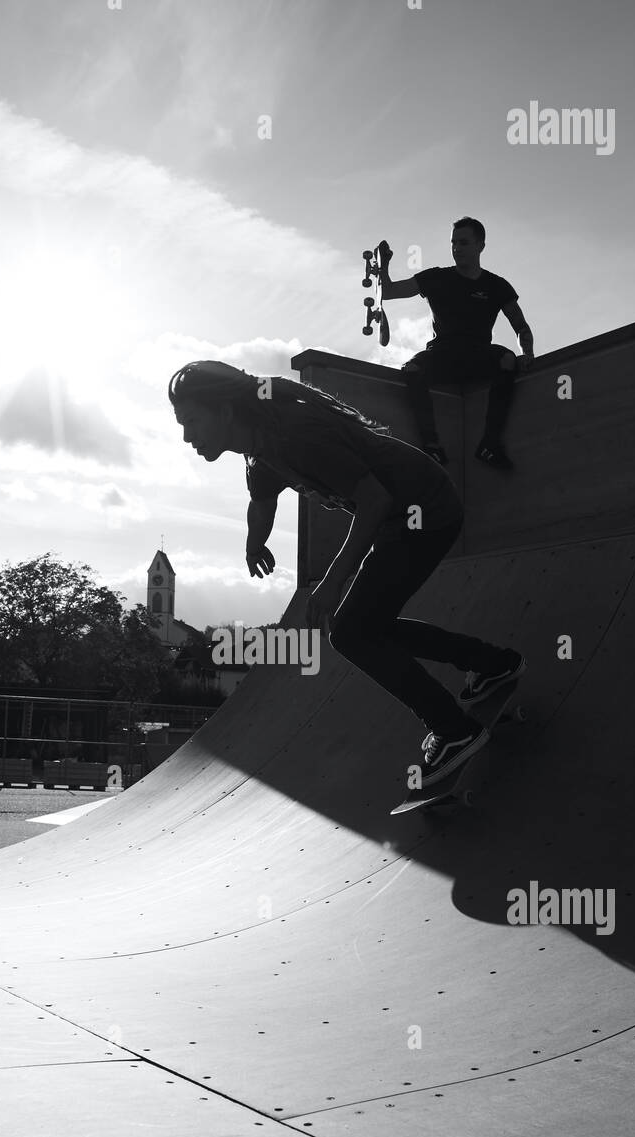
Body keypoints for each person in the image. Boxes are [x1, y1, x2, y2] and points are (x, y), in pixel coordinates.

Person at [169, 361, 525, 785]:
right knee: (364, 628)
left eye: (191, 421)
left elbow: (373, 499)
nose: (187, 436)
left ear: (225, 411)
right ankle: (492, 663)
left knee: (352, 633)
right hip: (401, 518)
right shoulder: (259, 453)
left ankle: (454, 730)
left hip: (425, 509)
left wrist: (333, 581)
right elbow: (262, 502)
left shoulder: (294, 433)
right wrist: (254, 542)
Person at [380, 217, 534, 469]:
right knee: (413, 369)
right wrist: (384, 264)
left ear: (480, 246)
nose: (456, 248)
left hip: (478, 353)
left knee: (506, 359)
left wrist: (527, 352)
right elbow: (388, 292)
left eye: (463, 243)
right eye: (453, 243)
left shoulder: (496, 285)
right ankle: (431, 446)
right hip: (443, 353)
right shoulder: (436, 277)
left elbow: (520, 326)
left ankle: (490, 445)